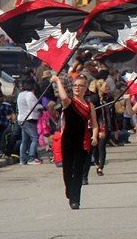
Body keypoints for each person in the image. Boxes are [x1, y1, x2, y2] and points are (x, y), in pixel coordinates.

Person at [52, 74, 98, 209]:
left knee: (78, 171)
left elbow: (94, 124)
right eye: (75, 85)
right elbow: (64, 97)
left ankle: (75, 200)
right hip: (68, 140)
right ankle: (69, 190)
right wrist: (57, 81)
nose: (77, 88)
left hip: (82, 141)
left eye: (81, 85)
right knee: (67, 170)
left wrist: (94, 136)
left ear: (86, 88)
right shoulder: (69, 102)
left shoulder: (90, 106)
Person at [17, 78, 43, 165]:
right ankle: (31, 158)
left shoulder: (21, 94)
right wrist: (40, 106)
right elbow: (33, 106)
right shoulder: (30, 95)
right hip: (29, 119)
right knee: (35, 138)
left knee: (25, 140)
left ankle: (22, 159)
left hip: (21, 119)